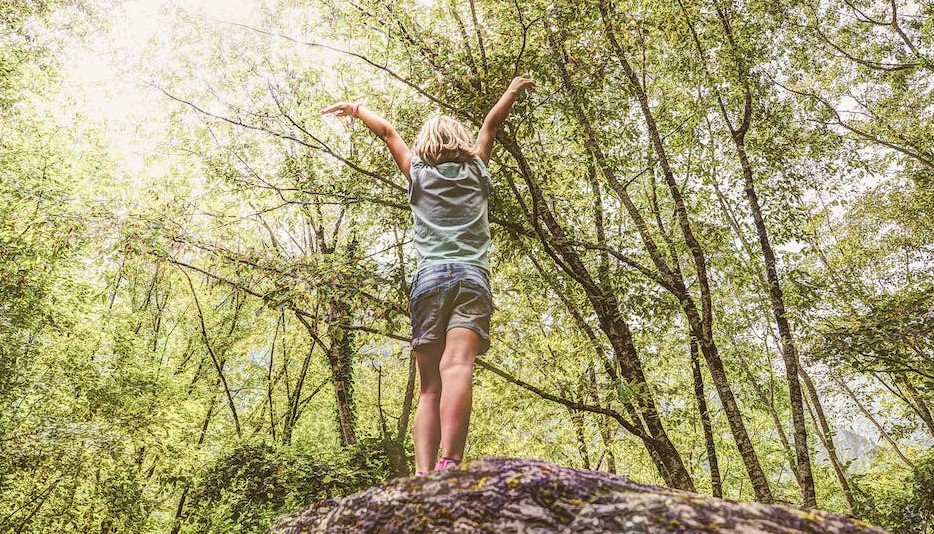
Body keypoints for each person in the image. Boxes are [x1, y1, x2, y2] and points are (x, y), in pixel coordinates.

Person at [321, 77, 535, 474]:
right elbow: (491, 126)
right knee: (458, 367)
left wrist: (354, 108)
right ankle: (449, 461)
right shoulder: (476, 168)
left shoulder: (418, 172)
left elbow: (388, 132)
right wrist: (511, 91)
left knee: (429, 387)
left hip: (429, 282)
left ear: (427, 142)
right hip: (472, 280)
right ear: (460, 140)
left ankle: (422, 473)